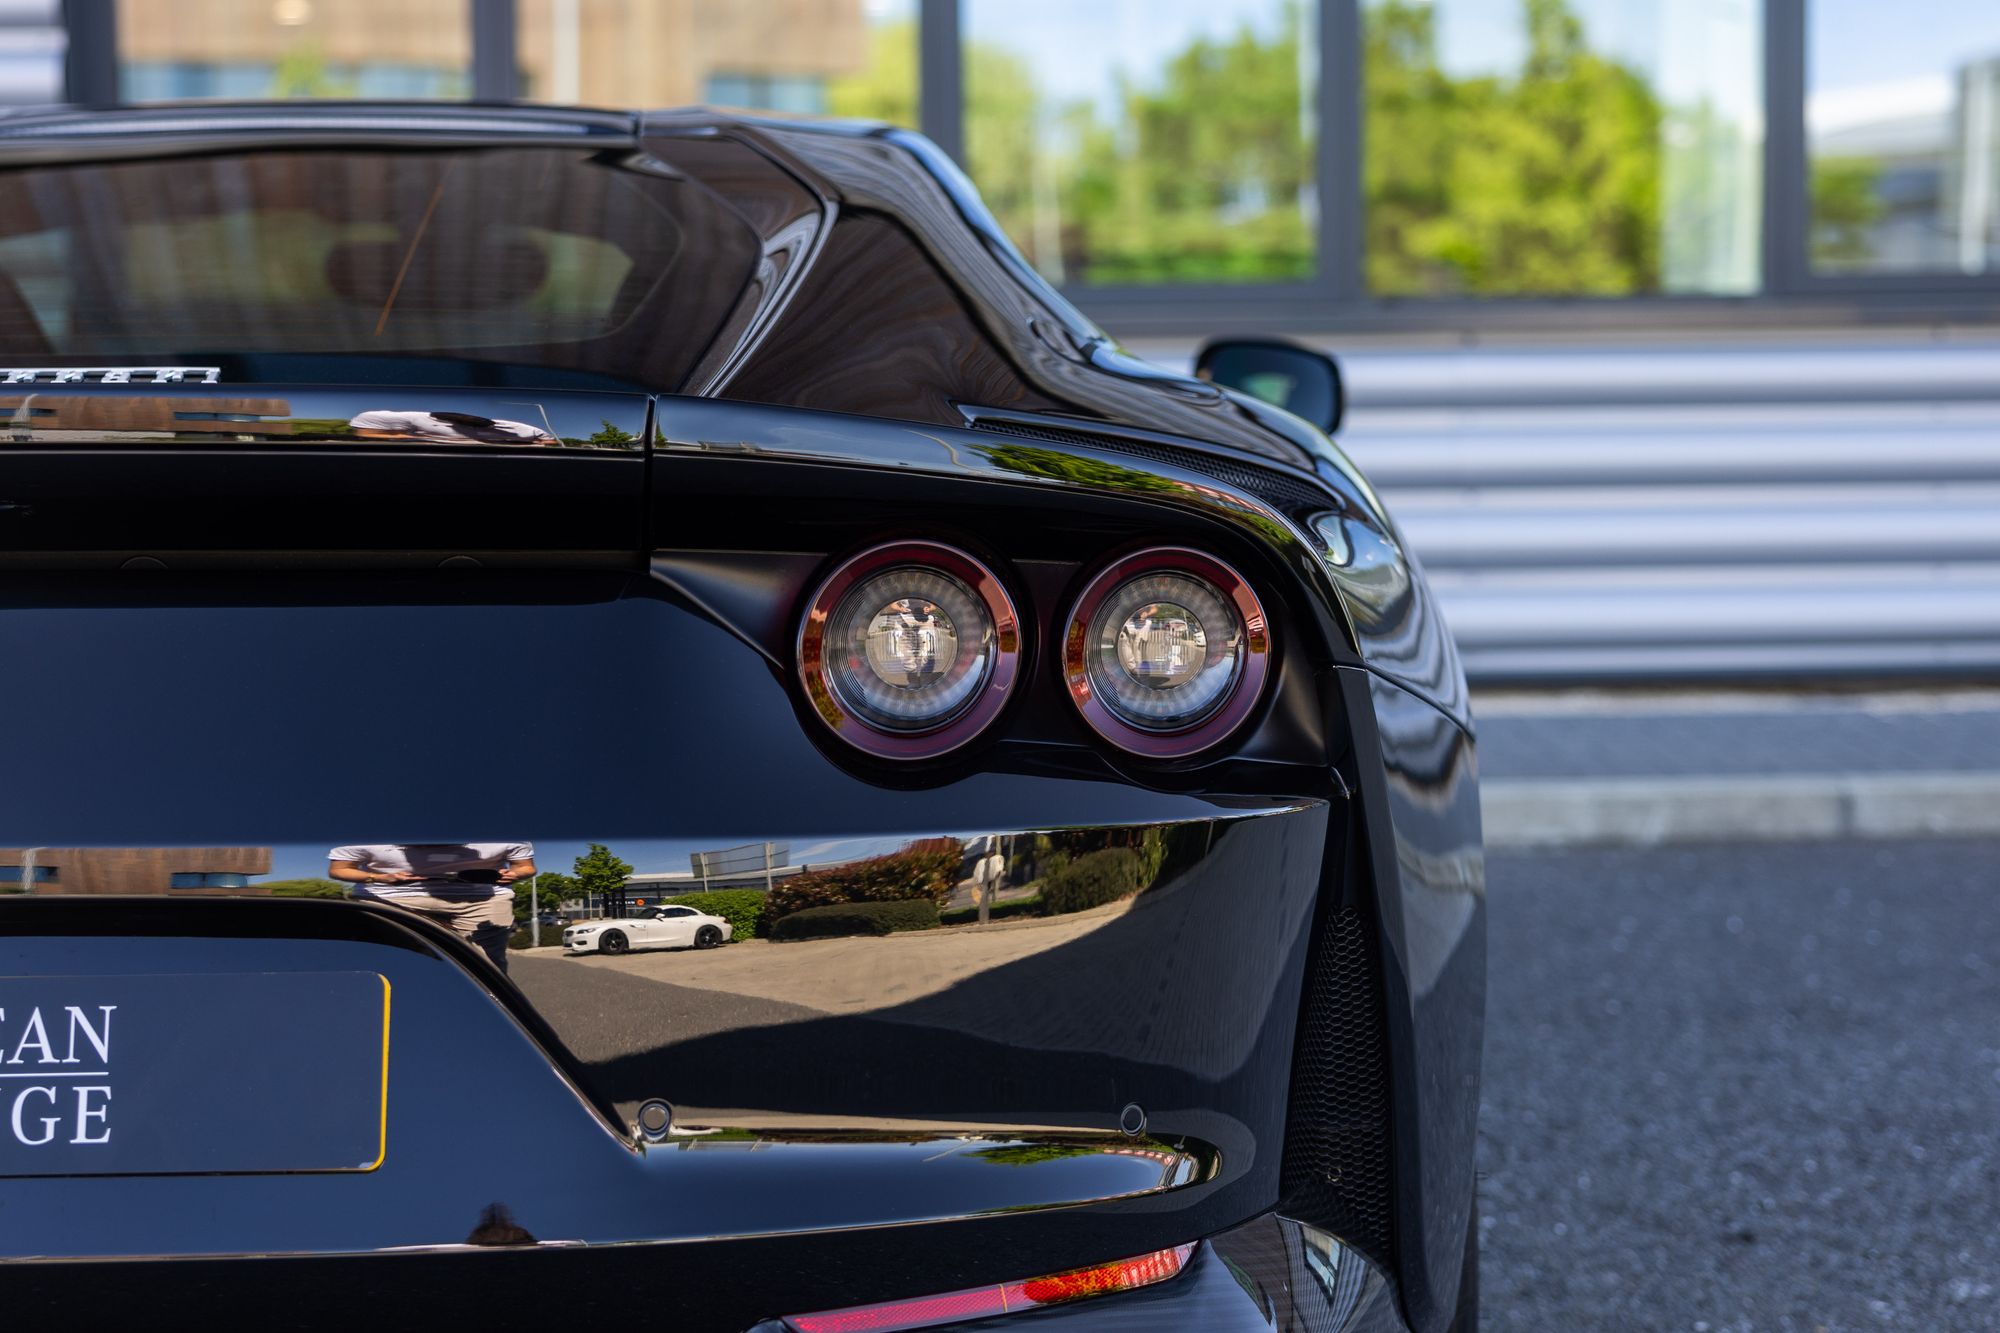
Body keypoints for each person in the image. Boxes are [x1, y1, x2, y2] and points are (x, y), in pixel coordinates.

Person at [328, 842, 535, 971]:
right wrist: (378, 877)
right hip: (391, 897)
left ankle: (491, 1007)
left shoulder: (504, 832)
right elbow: (339, 869)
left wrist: (515, 874)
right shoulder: (367, 832)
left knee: (488, 962)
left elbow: (525, 867)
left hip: (481, 898)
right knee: (385, 957)